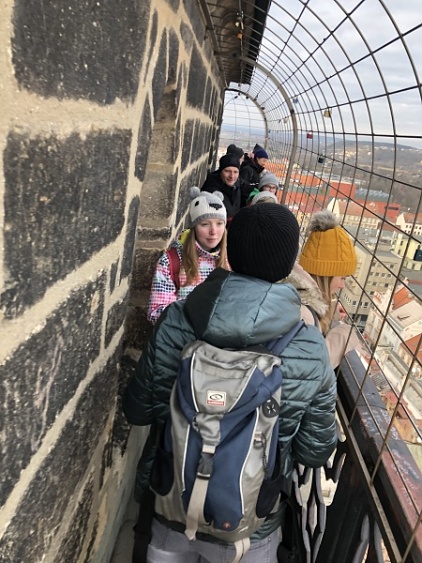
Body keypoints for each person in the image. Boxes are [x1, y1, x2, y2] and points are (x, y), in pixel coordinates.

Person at [123, 204, 338, 563]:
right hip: (250, 523)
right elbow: (314, 452)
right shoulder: (309, 347)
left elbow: (138, 409)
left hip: (170, 498)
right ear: (289, 264)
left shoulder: (177, 319)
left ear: (230, 253)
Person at [147, 187, 227, 324]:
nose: (213, 231)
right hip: (184, 336)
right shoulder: (171, 261)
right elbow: (156, 312)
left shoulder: (231, 260)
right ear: (194, 227)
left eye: (219, 223)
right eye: (205, 224)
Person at [296, 209, 361, 368]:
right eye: (342, 278)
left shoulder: (297, 294)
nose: (342, 285)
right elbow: (311, 366)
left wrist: (328, 309)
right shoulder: (304, 315)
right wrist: (345, 335)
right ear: (325, 274)